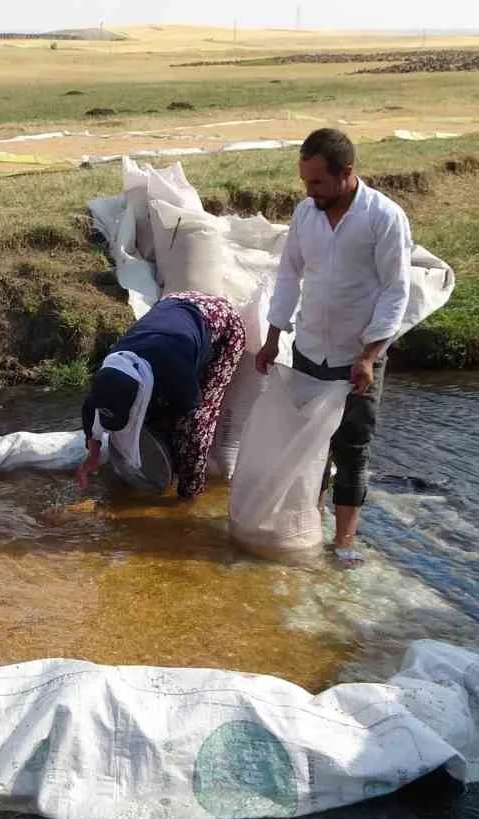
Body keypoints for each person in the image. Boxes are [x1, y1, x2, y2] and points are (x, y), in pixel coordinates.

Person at [255, 128, 413, 567]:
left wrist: (368, 355)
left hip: (356, 357)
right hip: (309, 350)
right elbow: (289, 276)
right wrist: (272, 338)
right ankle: (311, 523)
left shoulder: (383, 217)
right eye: (305, 182)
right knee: (308, 445)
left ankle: (344, 542)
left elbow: (396, 291)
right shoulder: (306, 215)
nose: (309, 191)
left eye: (317, 182)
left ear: (346, 174)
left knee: (352, 448)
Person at [75, 292, 246, 499]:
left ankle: (191, 494)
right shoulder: (106, 378)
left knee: (197, 421)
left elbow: (191, 407)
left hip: (220, 320)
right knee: (157, 413)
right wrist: (92, 457)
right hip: (171, 306)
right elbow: (93, 424)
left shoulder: (173, 369)